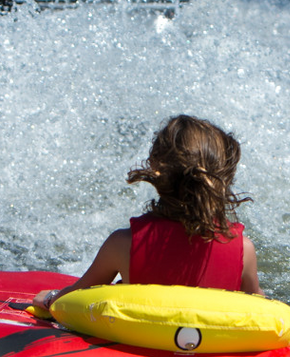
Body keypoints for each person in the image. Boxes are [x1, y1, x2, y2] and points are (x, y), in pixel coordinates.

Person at [32, 115, 260, 309]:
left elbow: (74, 300)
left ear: (155, 167)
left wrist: (50, 298)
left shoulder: (124, 244)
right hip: (208, 354)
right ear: (223, 176)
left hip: (140, 352)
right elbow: (258, 308)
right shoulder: (243, 251)